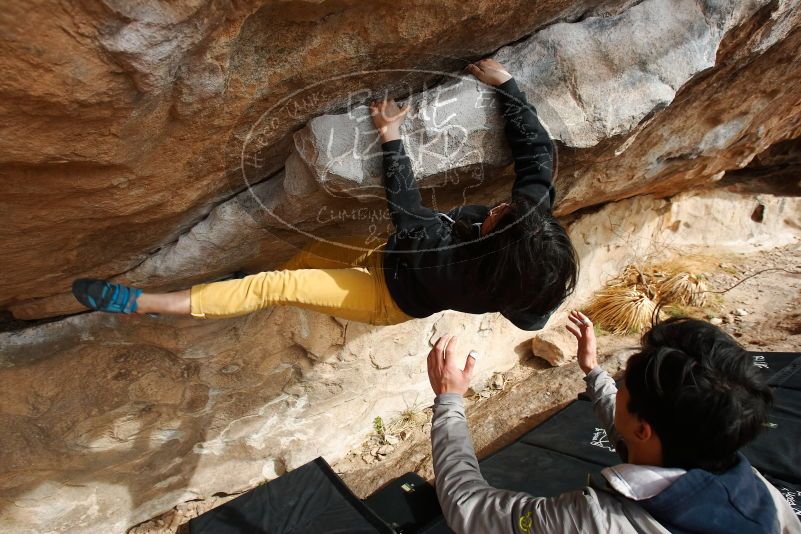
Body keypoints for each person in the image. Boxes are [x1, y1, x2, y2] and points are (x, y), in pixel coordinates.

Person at [71, 59, 577, 330]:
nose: (501, 207)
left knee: (273, 287)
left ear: (490, 245)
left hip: (386, 296)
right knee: (300, 261)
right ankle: (222, 293)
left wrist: (391, 137)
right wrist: (508, 85)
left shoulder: (448, 262)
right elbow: (536, 154)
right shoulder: (532, 260)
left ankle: (144, 303)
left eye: (497, 217)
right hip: (399, 258)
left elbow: (407, 210)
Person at [427, 314, 801, 533]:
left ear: (644, 428)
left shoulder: (595, 523)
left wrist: (449, 400)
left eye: (623, 381)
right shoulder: (756, 490)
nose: (618, 382)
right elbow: (641, 436)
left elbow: (470, 507)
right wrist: (594, 372)